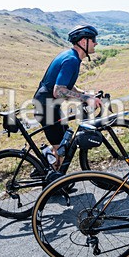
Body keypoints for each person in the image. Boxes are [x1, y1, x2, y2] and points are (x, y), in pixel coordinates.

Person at [32, 25, 102, 168]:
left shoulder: (71, 56)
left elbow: (67, 86)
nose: (96, 43)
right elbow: (58, 91)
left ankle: (46, 171)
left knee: (64, 143)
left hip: (50, 106)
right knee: (61, 150)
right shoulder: (71, 60)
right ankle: (55, 186)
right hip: (46, 108)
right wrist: (86, 99)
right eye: (93, 39)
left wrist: (85, 94)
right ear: (84, 42)